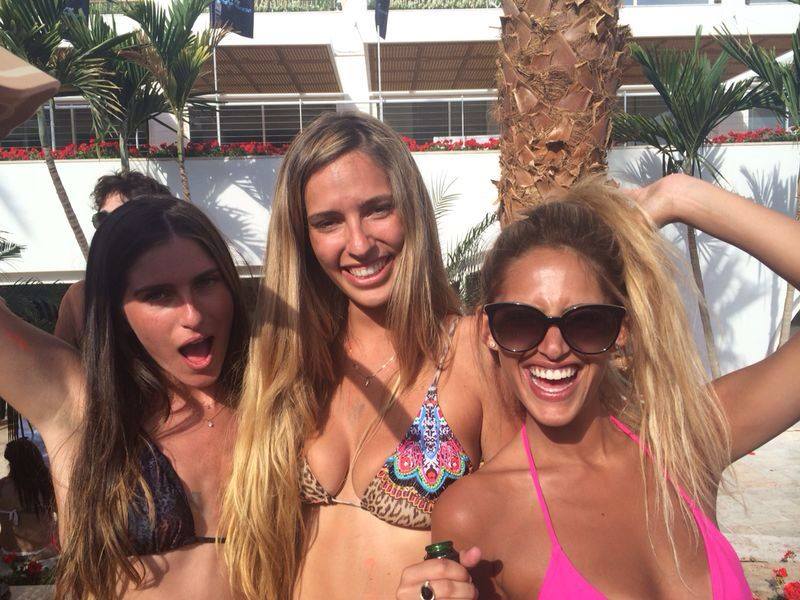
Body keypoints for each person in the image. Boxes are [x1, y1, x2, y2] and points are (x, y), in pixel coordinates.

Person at [397, 173, 800, 599]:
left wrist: (680, 196)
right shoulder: (476, 512)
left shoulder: (683, 443)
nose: (553, 349)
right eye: (520, 322)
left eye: (586, 322)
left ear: (621, 328)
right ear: (489, 331)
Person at [222, 112, 519, 599]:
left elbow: (528, 538)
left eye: (378, 210)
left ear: (411, 210)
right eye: (328, 222)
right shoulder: (288, 366)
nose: (359, 244)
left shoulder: (471, 351)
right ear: (303, 237)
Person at [0, 196, 249, 598]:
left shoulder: (273, 400)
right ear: (117, 310)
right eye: (159, 295)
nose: (193, 314)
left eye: (206, 282)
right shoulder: (82, 406)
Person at [54, 171, 171, 347]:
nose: (109, 228)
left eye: (122, 217)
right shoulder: (81, 298)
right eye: (102, 219)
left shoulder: (182, 291)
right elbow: (57, 361)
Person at [0, 438, 57, 559]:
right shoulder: (46, 485)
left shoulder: (3, 486)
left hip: (9, 554)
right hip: (44, 551)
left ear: (11, 464)